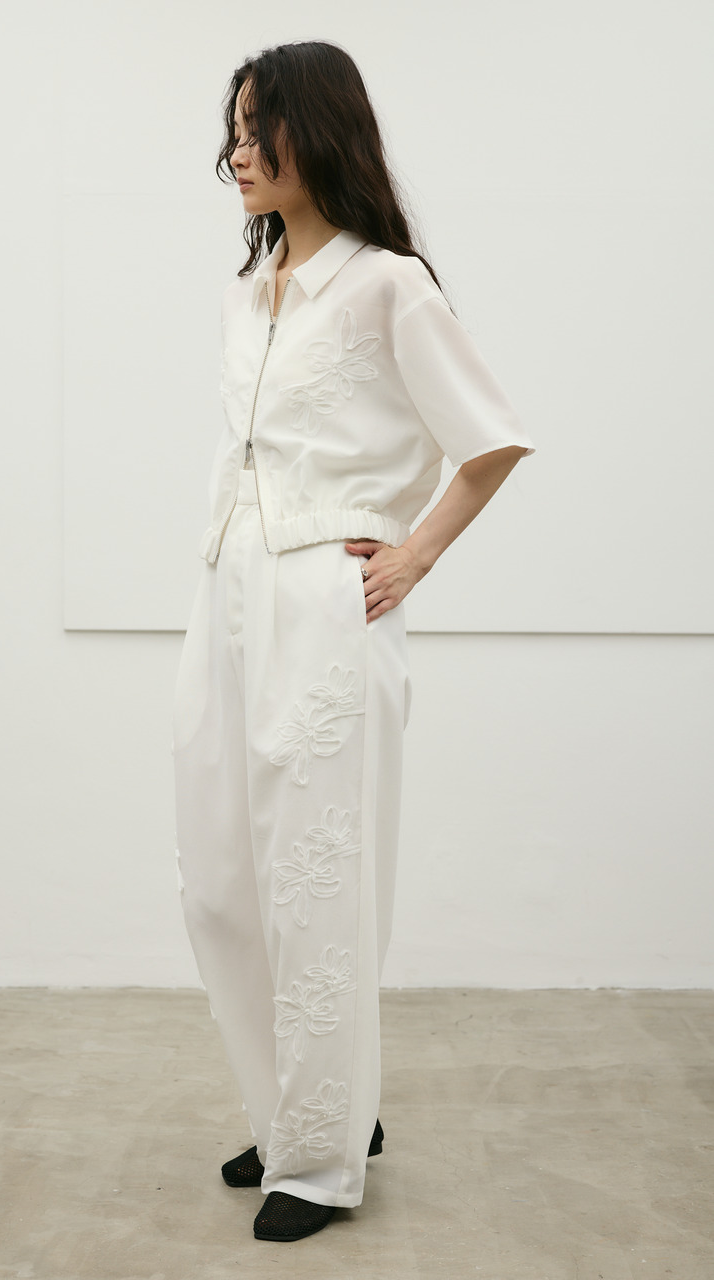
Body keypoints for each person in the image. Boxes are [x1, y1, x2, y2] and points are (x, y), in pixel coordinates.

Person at [172, 39, 535, 1243]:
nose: (235, 150)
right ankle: (299, 1108)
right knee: (221, 877)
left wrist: (412, 554)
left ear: (313, 132)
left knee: (314, 877)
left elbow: (488, 439)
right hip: (227, 593)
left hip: (326, 607)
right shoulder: (248, 287)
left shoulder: (387, 287)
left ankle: (322, 1158)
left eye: (256, 127)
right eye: (231, 128)